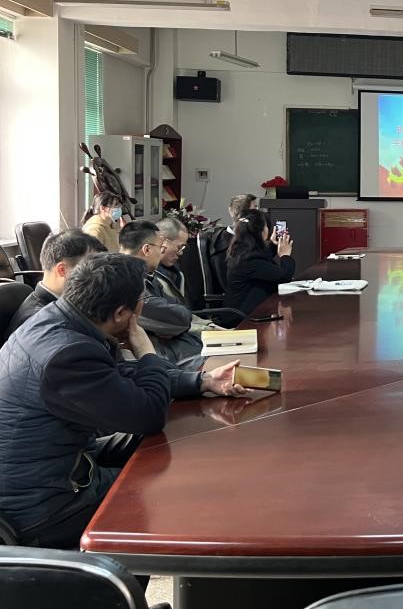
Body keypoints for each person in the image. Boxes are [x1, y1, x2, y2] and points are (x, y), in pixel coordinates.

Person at [0, 252, 247, 548]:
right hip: (44, 505)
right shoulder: (67, 353)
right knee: (170, 489)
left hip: (62, 461)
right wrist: (146, 351)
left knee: (176, 441)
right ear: (120, 313)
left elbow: (115, 376)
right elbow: (149, 415)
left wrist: (202, 381)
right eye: (142, 300)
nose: (143, 307)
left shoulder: (59, 321)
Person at [120, 220, 201, 363]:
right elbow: (179, 320)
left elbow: (176, 309)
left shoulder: (147, 276)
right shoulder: (126, 284)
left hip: (179, 349)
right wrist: (174, 322)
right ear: (147, 249)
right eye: (160, 247)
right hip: (166, 359)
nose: (161, 252)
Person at [7, 230, 106, 335]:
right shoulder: (39, 322)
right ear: (62, 270)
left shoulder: (67, 304)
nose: (98, 276)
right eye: (91, 269)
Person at [225, 209, 295, 319]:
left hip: (247, 311)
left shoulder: (241, 250)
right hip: (242, 318)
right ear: (260, 231)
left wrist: (272, 245)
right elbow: (284, 276)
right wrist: (285, 255)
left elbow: (262, 261)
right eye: (266, 226)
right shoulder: (249, 259)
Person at [209, 193, 259, 289]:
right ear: (244, 215)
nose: (259, 214)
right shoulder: (222, 244)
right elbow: (227, 283)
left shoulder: (245, 239)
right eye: (255, 209)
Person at [153, 217, 191, 305]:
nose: (180, 253)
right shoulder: (144, 276)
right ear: (161, 241)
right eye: (179, 247)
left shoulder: (178, 273)